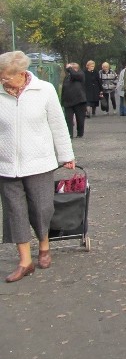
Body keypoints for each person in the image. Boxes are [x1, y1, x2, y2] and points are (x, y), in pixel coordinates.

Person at [0, 51, 75, 283]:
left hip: (40, 161)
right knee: (15, 212)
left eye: (6, 77)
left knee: (42, 209)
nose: (2, 81)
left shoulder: (44, 90)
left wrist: (66, 155)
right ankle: (25, 261)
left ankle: (44, 245)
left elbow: (58, 124)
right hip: (6, 164)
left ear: (21, 74)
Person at [60, 62, 87, 138]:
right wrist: (63, 100)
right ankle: (69, 134)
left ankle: (80, 133)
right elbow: (64, 89)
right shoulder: (67, 77)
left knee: (80, 118)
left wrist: (70, 69)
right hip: (68, 101)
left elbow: (75, 75)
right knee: (68, 119)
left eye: (73, 68)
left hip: (79, 100)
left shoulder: (80, 74)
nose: (71, 70)